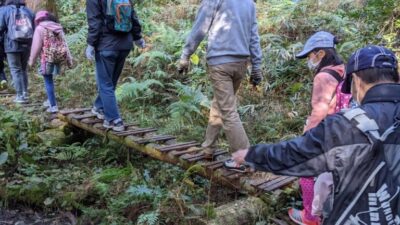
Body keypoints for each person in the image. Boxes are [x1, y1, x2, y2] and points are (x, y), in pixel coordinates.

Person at [232, 45, 400, 224]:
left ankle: (309, 216)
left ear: (357, 81)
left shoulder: (346, 125)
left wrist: (252, 155)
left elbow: (297, 154)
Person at [177, 0, 263, 165]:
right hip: (241, 64)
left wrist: (185, 55)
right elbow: (254, 36)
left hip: (220, 63)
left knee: (229, 112)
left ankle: (244, 158)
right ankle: (208, 148)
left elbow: (199, 29)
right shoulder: (249, 3)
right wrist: (256, 66)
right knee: (219, 105)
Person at [289, 31, 345, 225]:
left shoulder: (323, 76)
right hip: (343, 130)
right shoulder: (342, 69)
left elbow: (319, 110)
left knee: (306, 171)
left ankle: (310, 217)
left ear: (321, 53)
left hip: (325, 132)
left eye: (310, 54)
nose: (309, 59)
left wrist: (306, 135)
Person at [86, 0, 145, 132]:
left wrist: (90, 44)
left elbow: (95, 22)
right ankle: (99, 107)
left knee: (105, 83)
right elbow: (133, 16)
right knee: (110, 82)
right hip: (125, 45)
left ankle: (114, 120)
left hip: (106, 45)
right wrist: (138, 37)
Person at [28, 11, 73, 113]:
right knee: (50, 80)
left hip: (47, 58)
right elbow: (65, 44)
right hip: (58, 58)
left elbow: (36, 47)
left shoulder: (40, 28)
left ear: (38, 20)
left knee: (48, 80)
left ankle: (53, 106)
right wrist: (70, 60)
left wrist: (31, 60)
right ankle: (50, 100)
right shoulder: (58, 28)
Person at [0, 0, 34, 103]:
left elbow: (0, 27)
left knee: (15, 69)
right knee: (23, 69)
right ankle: (25, 93)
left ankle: (20, 96)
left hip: (12, 44)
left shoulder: (4, 10)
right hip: (27, 43)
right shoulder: (28, 11)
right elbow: (34, 26)